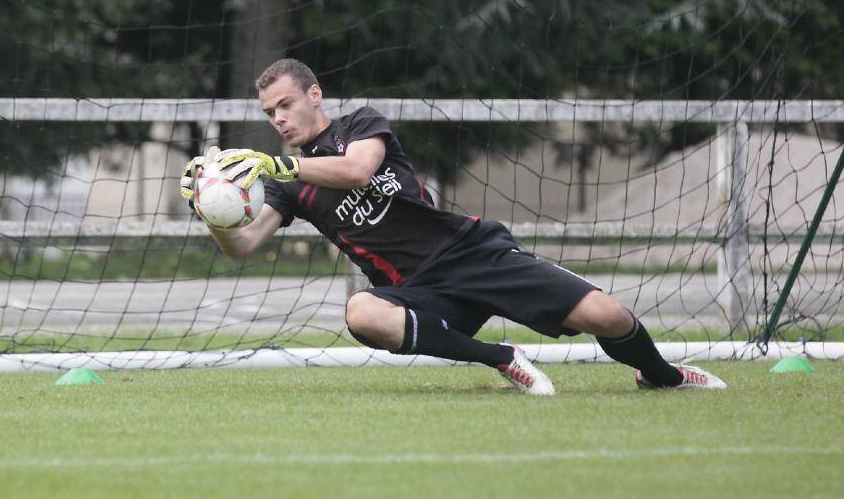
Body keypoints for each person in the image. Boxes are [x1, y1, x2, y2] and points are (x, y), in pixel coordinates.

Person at [179, 58, 727, 394]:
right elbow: (243, 246)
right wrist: (211, 211)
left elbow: (358, 170)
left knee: (608, 315)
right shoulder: (286, 187)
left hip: (472, 252)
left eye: (285, 105)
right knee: (360, 311)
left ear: (314, 95)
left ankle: (663, 376)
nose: (277, 119)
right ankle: (503, 360)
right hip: (418, 289)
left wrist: (278, 163)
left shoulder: (360, 125)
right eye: (269, 112)